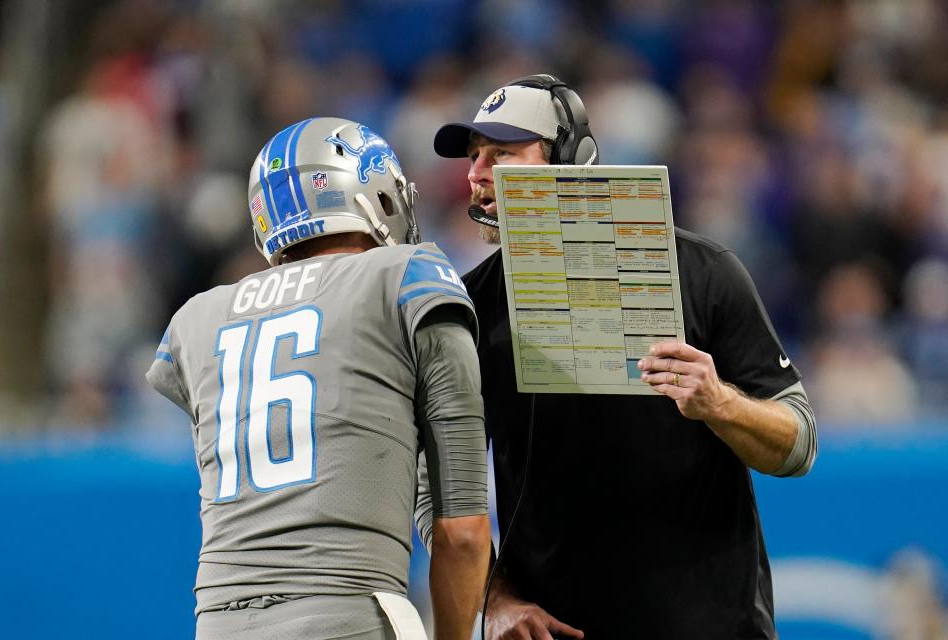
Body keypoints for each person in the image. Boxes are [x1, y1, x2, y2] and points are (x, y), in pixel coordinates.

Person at [423, 75, 818, 638]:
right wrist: (495, 596)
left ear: (569, 158)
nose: (475, 175)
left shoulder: (703, 273)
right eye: (473, 157)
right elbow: (429, 480)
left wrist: (720, 403)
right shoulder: (472, 305)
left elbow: (798, 444)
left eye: (502, 153)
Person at [146, 117, 491, 640]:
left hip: (217, 623)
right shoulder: (406, 274)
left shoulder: (196, 318)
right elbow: (462, 532)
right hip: (347, 614)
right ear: (372, 193)